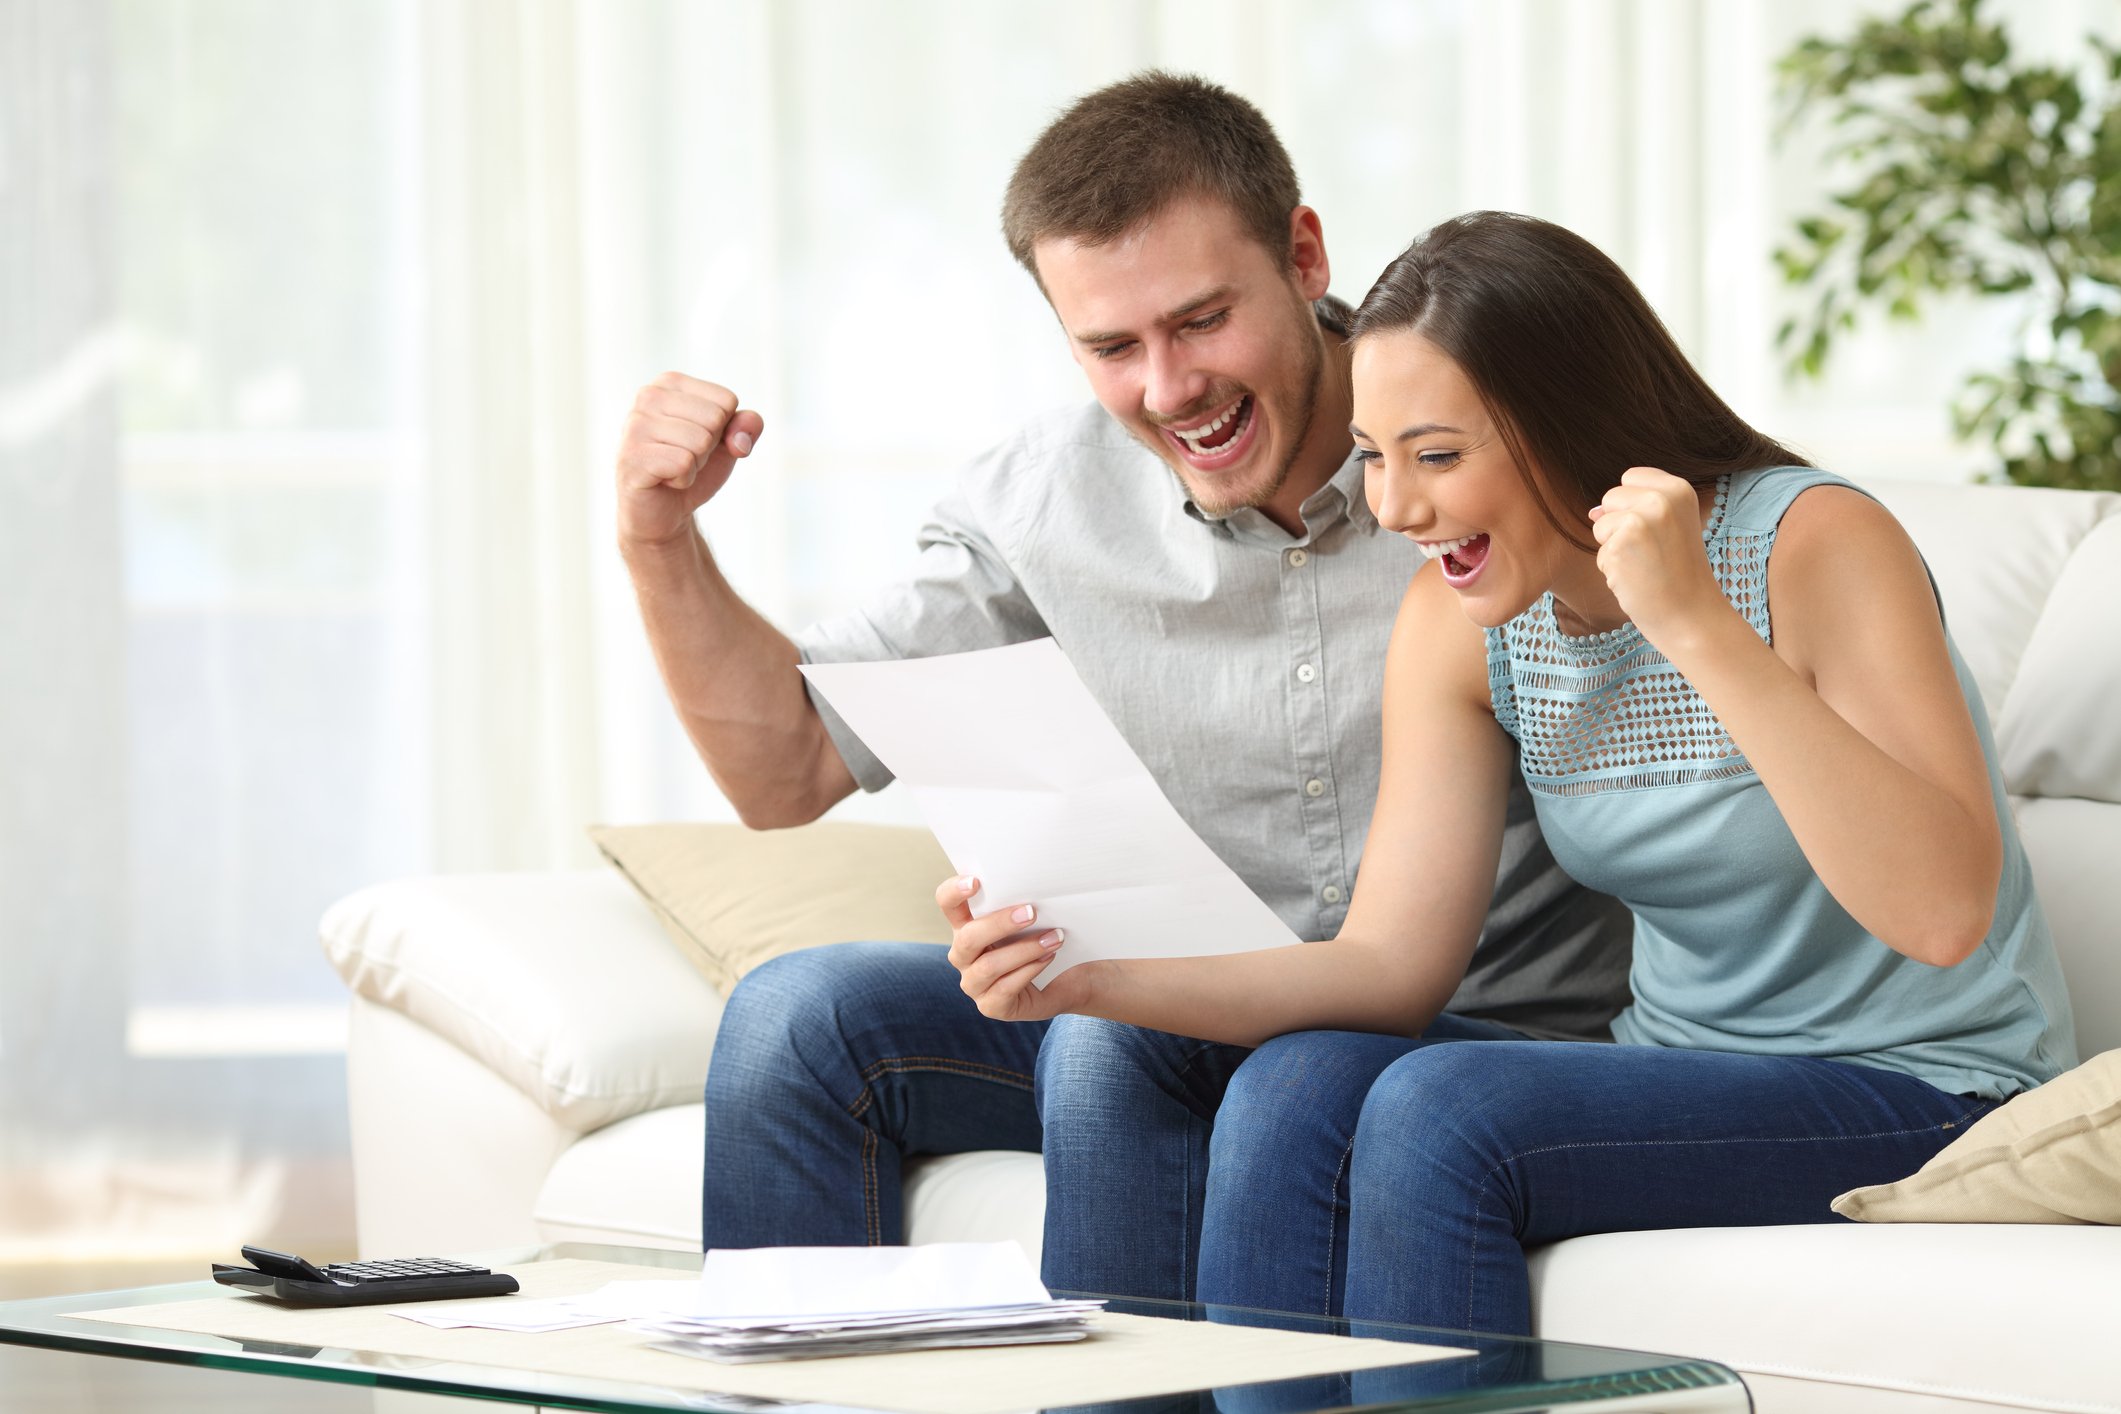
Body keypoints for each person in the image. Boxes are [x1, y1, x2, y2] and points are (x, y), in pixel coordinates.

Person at [941, 211, 2076, 1333]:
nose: (1395, 508)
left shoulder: (1813, 541)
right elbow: (1388, 965)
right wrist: (1086, 977)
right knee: (1281, 1078)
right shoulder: (1464, 617)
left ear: (1568, 425)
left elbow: (1940, 914)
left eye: (1437, 455)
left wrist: (1692, 623)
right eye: (1376, 458)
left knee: (1441, 1111)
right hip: (1680, 1071)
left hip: (1929, 1088)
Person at [613, 75, 1630, 1297]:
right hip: (1167, 1004)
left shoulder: (1477, 446)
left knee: (1118, 1034)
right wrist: (659, 542)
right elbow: (784, 767)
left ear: (1303, 255)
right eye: (1110, 346)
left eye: (1201, 320)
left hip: (1467, 1027)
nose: (1168, 387)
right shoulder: (1045, 500)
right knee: (798, 1019)